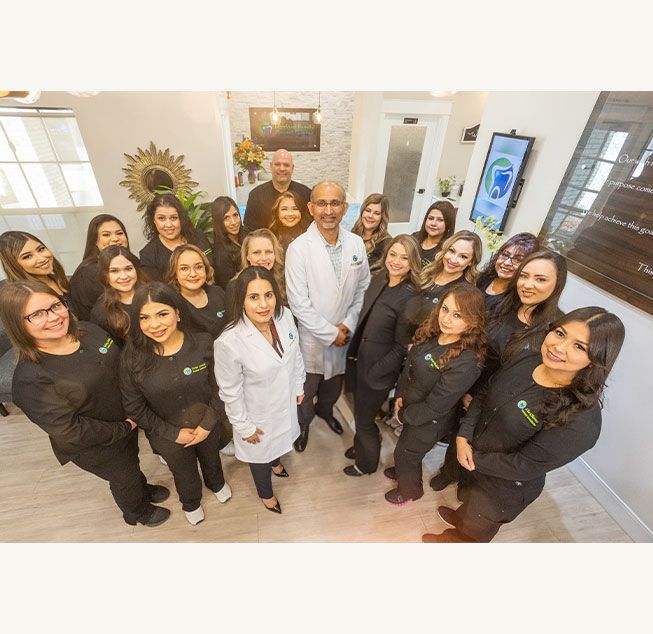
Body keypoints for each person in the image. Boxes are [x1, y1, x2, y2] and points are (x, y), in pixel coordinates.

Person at [422, 306, 625, 542]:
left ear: (596, 360)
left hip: (499, 489)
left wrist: (472, 458)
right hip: (472, 462)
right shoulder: (528, 359)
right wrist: (462, 435)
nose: (559, 347)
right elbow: (487, 393)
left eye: (579, 346)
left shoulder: (581, 421)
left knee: (475, 529)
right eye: (560, 333)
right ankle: (461, 520)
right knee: (467, 506)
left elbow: (525, 465)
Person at [0, 280, 170, 527]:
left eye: (55, 305)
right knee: (123, 476)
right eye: (37, 314)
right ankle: (137, 512)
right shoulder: (30, 380)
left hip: (126, 423)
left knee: (132, 464)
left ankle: (142, 488)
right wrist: (124, 427)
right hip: (95, 445)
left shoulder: (88, 331)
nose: (54, 317)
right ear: (18, 324)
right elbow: (71, 431)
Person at [429, 249, 568, 492]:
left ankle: (468, 488)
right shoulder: (504, 305)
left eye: (541, 279)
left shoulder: (556, 329)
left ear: (557, 284)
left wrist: (480, 396)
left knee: (483, 451)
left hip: (501, 401)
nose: (528, 284)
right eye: (524, 276)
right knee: (458, 436)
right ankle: (449, 471)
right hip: (467, 384)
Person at [120, 282, 232, 526]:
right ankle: (191, 502)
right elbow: (134, 408)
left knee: (212, 458)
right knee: (183, 472)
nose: (155, 325)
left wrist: (207, 424)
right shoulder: (131, 357)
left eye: (162, 314)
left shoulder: (203, 342)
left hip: (208, 423)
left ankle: (217, 484)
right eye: (144, 317)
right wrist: (173, 433)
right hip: (167, 434)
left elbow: (220, 387)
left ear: (178, 313)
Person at [285, 181, 371, 452]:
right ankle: (303, 426)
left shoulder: (357, 243)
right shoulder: (299, 248)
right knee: (306, 391)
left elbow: (363, 289)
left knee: (333, 387)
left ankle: (326, 412)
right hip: (312, 338)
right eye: (321, 203)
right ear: (311, 208)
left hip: (344, 334)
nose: (328, 210)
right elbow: (298, 303)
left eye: (335, 203)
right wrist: (331, 333)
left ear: (345, 208)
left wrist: (347, 325)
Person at [383, 285, 488, 504]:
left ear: (473, 321)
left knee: (405, 453)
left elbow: (436, 405)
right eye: (445, 309)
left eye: (457, 315)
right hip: (411, 407)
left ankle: (410, 490)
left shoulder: (467, 361)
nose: (447, 319)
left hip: (429, 420)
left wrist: (403, 416)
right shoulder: (434, 333)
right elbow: (409, 366)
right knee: (407, 451)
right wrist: (400, 394)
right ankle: (405, 468)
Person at [214, 267, 305, 514]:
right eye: (253, 297)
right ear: (241, 300)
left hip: (284, 402)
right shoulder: (229, 342)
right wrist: (244, 426)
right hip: (257, 414)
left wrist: (298, 384)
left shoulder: (284, 316)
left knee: (280, 443)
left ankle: (277, 464)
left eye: (269, 295)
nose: (264, 304)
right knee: (260, 455)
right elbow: (229, 392)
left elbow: (295, 354)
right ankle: (266, 495)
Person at [343, 234, 421, 476]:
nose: (396, 261)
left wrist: (373, 372)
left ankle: (366, 465)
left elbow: (401, 348)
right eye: (393, 254)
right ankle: (361, 447)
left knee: (365, 421)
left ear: (412, 263)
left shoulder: (409, 297)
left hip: (376, 372)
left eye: (404, 258)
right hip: (359, 361)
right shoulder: (380, 279)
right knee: (360, 415)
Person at [406, 230, 483, 334]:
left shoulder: (462, 293)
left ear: (471, 262)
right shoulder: (428, 271)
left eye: (463, 256)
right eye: (451, 251)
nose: (453, 259)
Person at [139, 193, 213, 282]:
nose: (168, 224)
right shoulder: (148, 255)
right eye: (161, 218)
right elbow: (157, 291)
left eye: (173, 218)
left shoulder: (199, 237)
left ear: (181, 219)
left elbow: (212, 271)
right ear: (154, 220)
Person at [70, 214, 130, 321]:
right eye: (106, 235)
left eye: (119, 233)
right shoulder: (89, 271)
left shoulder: (128, 262)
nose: (115, 239)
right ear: (95, 241)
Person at [0, 231, 75, 313]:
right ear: (13, 265)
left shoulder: (61, 280)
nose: (42, 259)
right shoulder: (21, 298)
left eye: (41, 249)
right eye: (27, 257)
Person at [165, 244, 228, 340]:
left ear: (205, 269)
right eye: (184, 269)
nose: (193, 274)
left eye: (198, 267)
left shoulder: (218, 292)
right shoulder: (172, 305)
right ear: (175, 274)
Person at [89, 245, 147, 347]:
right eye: (114, 271)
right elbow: (107, 349)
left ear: (136, 269)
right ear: (105, 276)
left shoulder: (153, 294)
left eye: (128, 268)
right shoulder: (101, 312)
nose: (124, 276)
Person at [244, 149, 312, 231]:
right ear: (271, 166)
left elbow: (311, 226)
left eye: (286, 165)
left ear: (292, 168)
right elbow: (250, 230)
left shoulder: (306, 194)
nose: (282, 168)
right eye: (277, 164)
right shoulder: (256, 195)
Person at [475, 232, 540, 313]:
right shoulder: (484, 278)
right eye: (505, 255)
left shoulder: (519, 299)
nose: (507, 262)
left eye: (518, 259)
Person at [211, 196, 249, 289]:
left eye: (235, 215)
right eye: (226, 218)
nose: (234, 222)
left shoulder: (247, 233)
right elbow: (228, 288)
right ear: (219, 221)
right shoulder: (221, 253)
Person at [351, 193, 392, 274]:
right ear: (362, 211)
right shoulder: (353, 233)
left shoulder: (386, 243)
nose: (370, 216)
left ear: (382, 217)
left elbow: (379, 275)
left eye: (376, 213)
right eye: (368, 210)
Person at [410, 201, 456, 267]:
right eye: (430, 218)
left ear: (448, 224)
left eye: (440, 220)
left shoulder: (446, 250)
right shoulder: (415, 237)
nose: (433, 223)